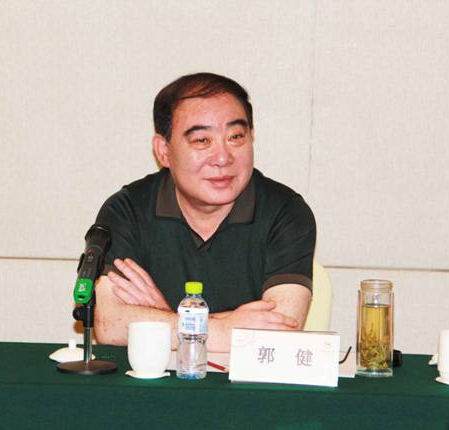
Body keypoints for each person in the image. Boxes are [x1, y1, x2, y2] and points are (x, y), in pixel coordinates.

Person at [94, 72, 316, 352]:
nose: (223, 158)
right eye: (202, 141)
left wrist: (164, 317)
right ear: (163, 151)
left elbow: (278, 333)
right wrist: (222, 329)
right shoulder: (127, 210)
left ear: (252, 137)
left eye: (236, 137)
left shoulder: (286, 212)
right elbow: (109, 324)